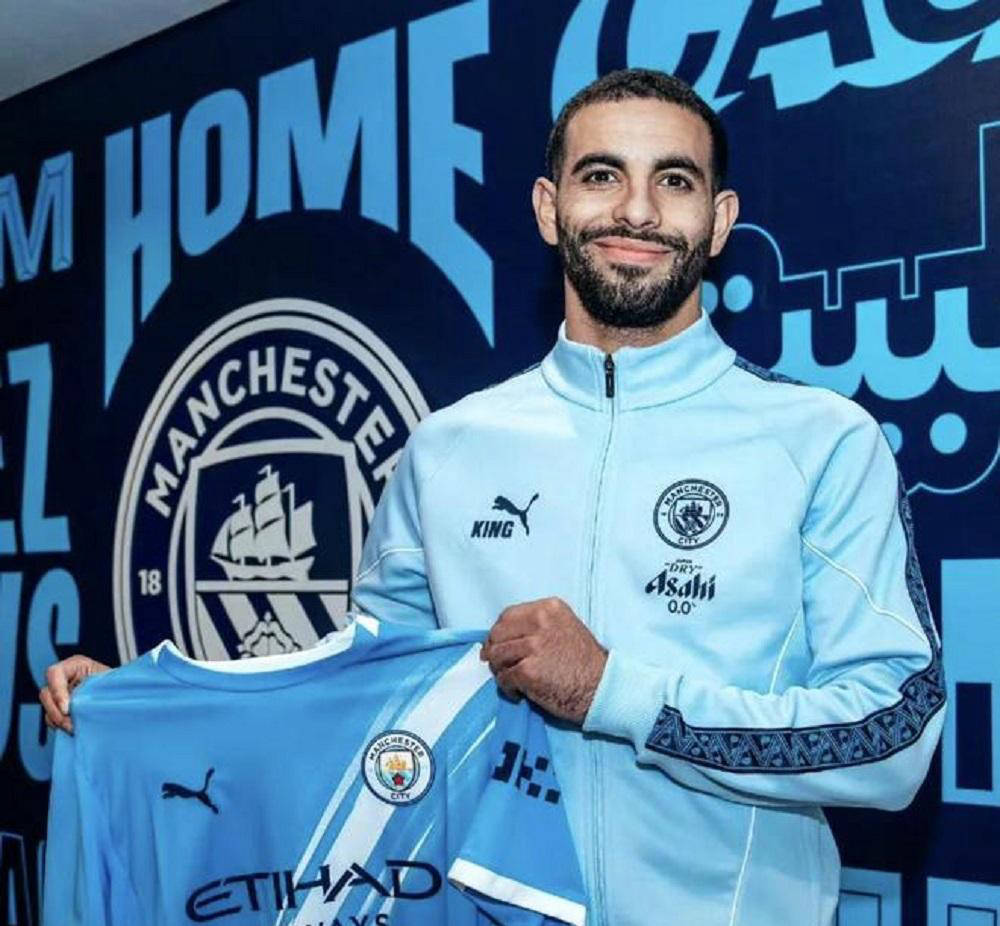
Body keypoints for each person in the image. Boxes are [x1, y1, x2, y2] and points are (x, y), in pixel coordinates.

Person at [42, 69, 945, 925]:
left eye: (674, 181)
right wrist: (149, 709)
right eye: (602, 175)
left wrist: (616, 693)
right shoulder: (447, 449)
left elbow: (895, 735)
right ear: (550, 209)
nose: (637, 210)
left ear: (718, 221)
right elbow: (359, 706)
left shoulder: (819, 440)